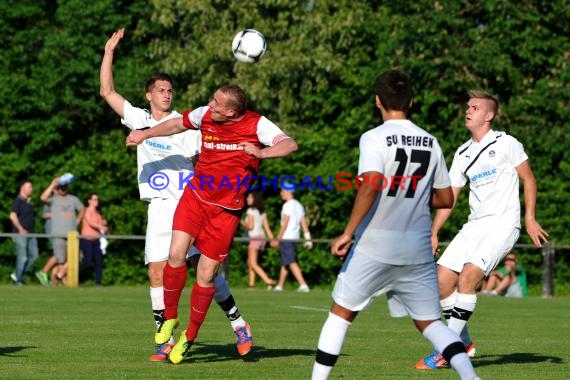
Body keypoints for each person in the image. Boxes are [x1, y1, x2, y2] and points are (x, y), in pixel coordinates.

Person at [312, 70, 479, 380]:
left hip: (375, 243)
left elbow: (372, 183)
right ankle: (471, 377)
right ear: (411, 102)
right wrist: (411, 195)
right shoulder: (431, 142)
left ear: (378, 101)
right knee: (431, 324)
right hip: (416, 248)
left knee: (341, 315)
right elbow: (445, 198)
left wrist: (348, 232)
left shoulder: (373, 137)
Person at [100, 28, 255, 362]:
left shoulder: (185, 124)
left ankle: (238, 323)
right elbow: (107, 91)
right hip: (159, 207)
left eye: (170, 90)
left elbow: (214, 158)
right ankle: (165, 341)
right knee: (156, 272)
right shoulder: (139, 120)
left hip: (191, 205)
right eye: (161, 90)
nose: (167, 94)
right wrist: (109, 51)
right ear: (149, 95)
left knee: (206, 273)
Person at [125, 83, 298, 364]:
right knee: (175, 256)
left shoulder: (257, 124)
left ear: (231, 112)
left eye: (216, 103)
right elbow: (175, 125)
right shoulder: (206, 114)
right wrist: (145, 134)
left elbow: (290, 144)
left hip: (225, 212)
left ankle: (193, 336)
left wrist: (262, 153)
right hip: (194, 198)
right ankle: (169, 320)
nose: (210, 105)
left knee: (206, 276)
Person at [416, 90, 548, 370]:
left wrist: (530, 218)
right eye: (467, 107)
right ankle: (463, 340)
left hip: (502, 224)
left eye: (474, 107)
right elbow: (449, 197)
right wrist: (434, 231)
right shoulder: (463, 153)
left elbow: (530, 179)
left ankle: (448, 351)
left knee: (468, 278)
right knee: (439, 284)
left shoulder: (506, 143)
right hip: (473, 227)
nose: (468, 110)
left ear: (489, 115)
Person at [35, 177, 84, 287]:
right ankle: (44, 273)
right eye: (61, 188)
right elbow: (42, 197)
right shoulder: (54, 199)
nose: (63, 190)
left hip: (72, 234)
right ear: (57, 189)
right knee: (59, 258)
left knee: (77, 257)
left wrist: (78, 220)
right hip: (58, 233)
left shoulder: (73, 199)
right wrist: (52, 184)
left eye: (64, 187)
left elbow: (82, 209)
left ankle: (60, 275)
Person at [270, 185, 313, 292]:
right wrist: (308, 238)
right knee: (286, 261)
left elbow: (285, 223)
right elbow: (303, 223)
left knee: (291, 261)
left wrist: (277, 238)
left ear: (288, 191)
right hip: (295, 237)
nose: (281, 193)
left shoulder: (287, 205)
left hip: (287, 237)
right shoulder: (299, 205)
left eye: (282, 191)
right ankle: (280, 286)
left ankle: (303, 284)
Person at [243, 192, 276, 289]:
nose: (247, 199)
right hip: (262, 238)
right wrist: (272, 240)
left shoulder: (250, 211)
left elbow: (250, 226)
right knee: (250, 261)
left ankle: (268, 281)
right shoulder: (262, 212)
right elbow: (267, 228)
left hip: (254, 238)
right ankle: (251, 284)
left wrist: (242, 223)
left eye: (249, 197)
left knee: (253, 263)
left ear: (254, 199)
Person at [9, 180, 39, 286]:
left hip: (31, 234)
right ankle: (18, 281)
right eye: (29, 187)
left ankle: (17, 274)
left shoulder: (28, 201)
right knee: (23, 257)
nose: (31, 189)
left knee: (34, 256)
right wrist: (21, 229)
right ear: (22, 188)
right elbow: (12, 216)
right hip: (20, 234)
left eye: (31, 187)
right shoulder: (18, 201)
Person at [79, 193, 108, 286]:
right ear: (89, 201)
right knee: (87, 261)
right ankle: (76, 275)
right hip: (87, 239)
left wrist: (104, 224)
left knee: (99, 261)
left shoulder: (98, 213)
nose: (97, 202)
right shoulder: (86, 211)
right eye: (94, 199)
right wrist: (101, 226)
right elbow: (91, 223)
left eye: (97, 200)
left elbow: (102, 224)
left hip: (96, 240)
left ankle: (98, 282)